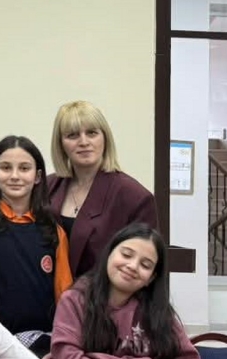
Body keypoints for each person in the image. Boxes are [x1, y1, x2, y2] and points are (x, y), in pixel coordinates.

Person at [0, 135, 73, 355]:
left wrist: (65, 341)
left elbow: (64, 294)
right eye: (6, 168)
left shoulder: (53, 230)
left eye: (24, 168)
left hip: (44, 343)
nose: (15, 176)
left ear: (37, 176)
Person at [51, 224, 200, 359]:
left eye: (145, 265)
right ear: (110, 253)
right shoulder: (74, 300)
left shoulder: (158, 311)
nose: (133, 266)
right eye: (126, 255)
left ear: (151, 278)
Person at [46, 101, 158, 278]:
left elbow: (141, 267)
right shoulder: (46, 188)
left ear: (105, 138)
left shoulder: (135, 198)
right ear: (60, 144)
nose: (84, 142)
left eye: (92, 133)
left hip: (101, 295)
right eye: (73, 135)